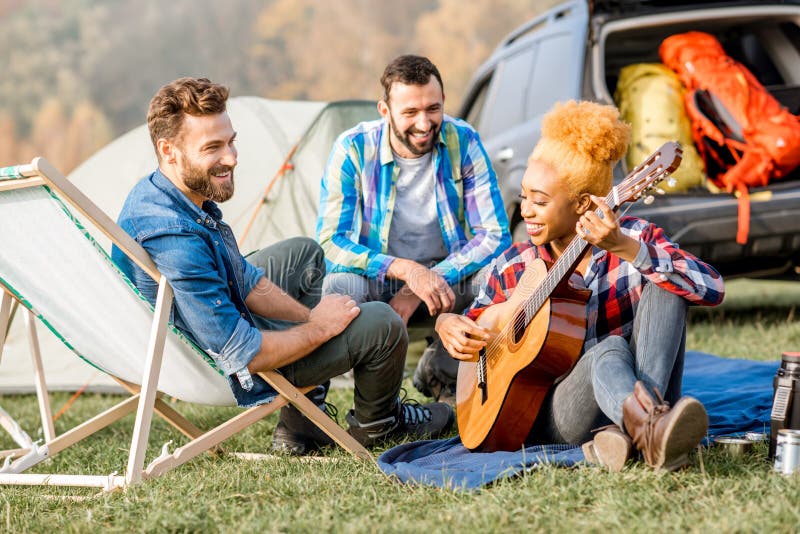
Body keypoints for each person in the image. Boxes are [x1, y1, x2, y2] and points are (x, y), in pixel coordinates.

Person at [112, 77, 454, 455]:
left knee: (304, 254)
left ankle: (302, 423)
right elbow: (244, 353)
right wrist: (322, 328)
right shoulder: (174, 237)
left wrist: (310, 319)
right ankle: (379, 424)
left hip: (209, 326)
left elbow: (246, 281)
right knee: (382, 324)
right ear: (168, 150)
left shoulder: (162, 194)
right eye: (213, 147)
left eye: (231, 141)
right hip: (224, 367)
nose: (231, 157)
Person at [435, 100, 725, 471]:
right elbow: (475, 320)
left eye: (540, 201)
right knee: (608, 349)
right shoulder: (515, 264)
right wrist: (448, 324)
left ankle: (642, 428)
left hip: (645, 388)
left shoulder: (632, 237)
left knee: (664, 278)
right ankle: (649, 432)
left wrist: (629, 249)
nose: (525, 210)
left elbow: (713, 288)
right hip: (558, 413)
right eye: (524, 196)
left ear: (582, 204)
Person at [316, 55, 511, 402]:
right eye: (410, 113)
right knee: (338, 285)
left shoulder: (463, 140)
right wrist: (404, 271)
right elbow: (332, 242)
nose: (424, 123)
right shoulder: (353, 149)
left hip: (449, 281)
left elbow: (495, 236)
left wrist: (421, 285)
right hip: (379, 280)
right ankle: (317, 412)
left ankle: (442, 370)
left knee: (503, 275)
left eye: (433, 109)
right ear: (385, 110)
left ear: (444, 103)